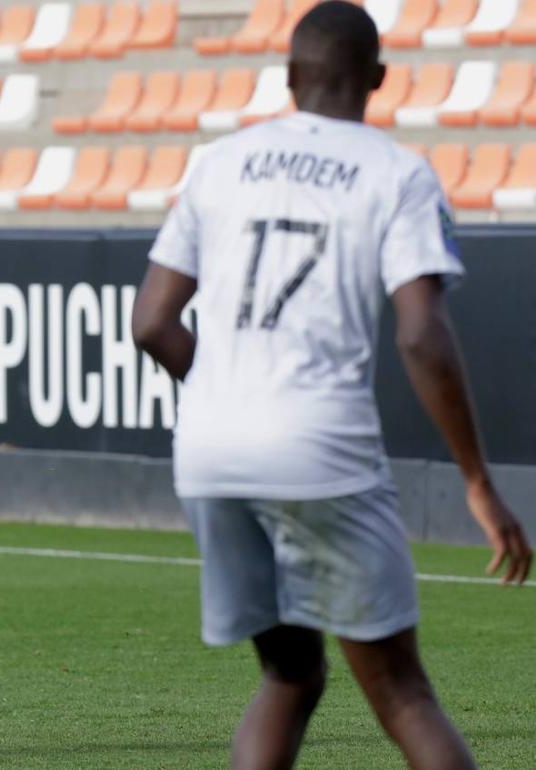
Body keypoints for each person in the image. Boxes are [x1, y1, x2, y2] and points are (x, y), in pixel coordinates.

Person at [131, 4, 531, 769]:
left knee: (290, 670)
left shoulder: (219, 162)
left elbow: (150, 322)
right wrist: (477, 482)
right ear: (378, 79)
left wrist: (219, 387)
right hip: (319, 444)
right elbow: (421, 332)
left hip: (210, 450)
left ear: (288, 77)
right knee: (403, 693)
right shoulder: (398, 174)